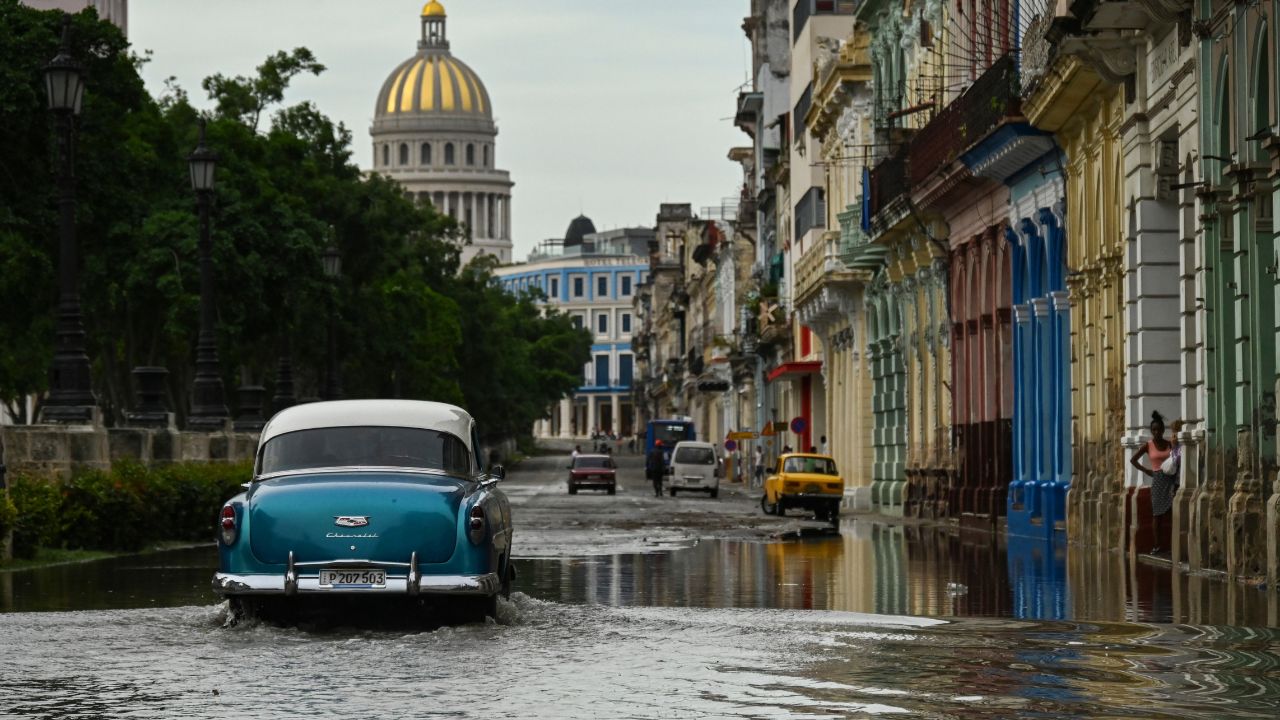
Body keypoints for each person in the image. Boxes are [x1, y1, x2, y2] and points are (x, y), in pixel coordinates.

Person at [1129, 411, 1177, 554]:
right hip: (1157, 481)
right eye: (1154, 430)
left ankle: (1171, 545)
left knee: (1171, 512)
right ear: (1151, 431)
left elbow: (1176, 459)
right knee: (1157, 514)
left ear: (1163, 430)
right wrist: (1146, 471)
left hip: (1170, 480)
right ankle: (1157, 545)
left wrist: (1175, 446)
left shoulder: (1169, 444)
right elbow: (1133, 460)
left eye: (1159, 429)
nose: (1156, 432)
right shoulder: (1148, 445)